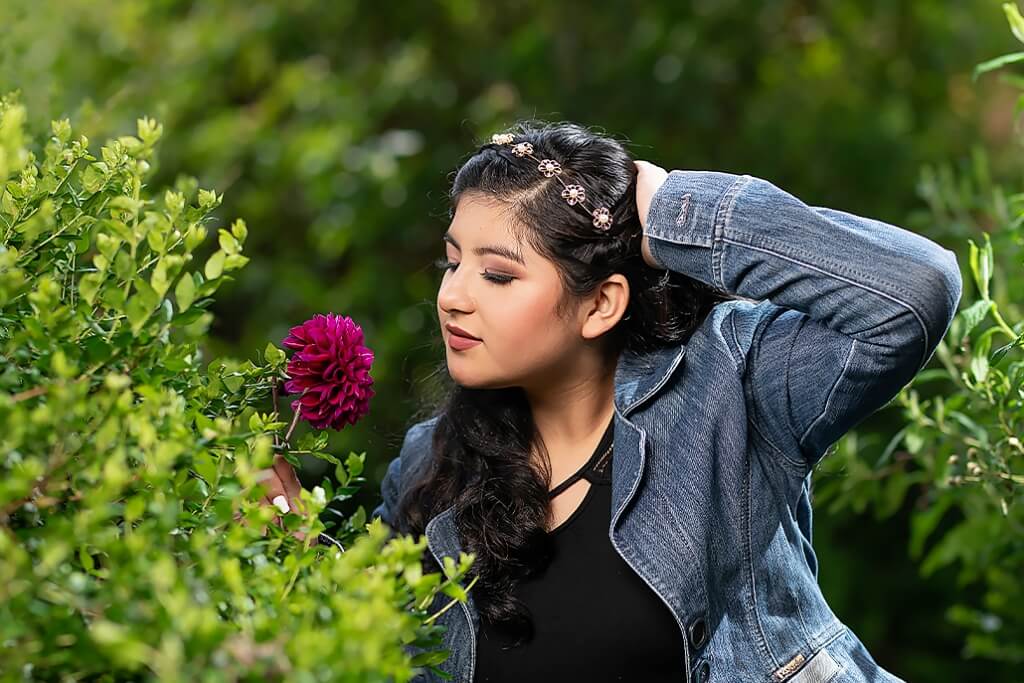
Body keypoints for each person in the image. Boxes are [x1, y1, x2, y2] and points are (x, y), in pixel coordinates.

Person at [325, 120, 963, 682]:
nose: (451, 296)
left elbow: (915, 292)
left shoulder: (728, 389)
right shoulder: (432, 466)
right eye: (452, 263)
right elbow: (374, 653)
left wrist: (677, 215)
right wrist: (296, 543)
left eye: (496, 274)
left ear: (601, 304)